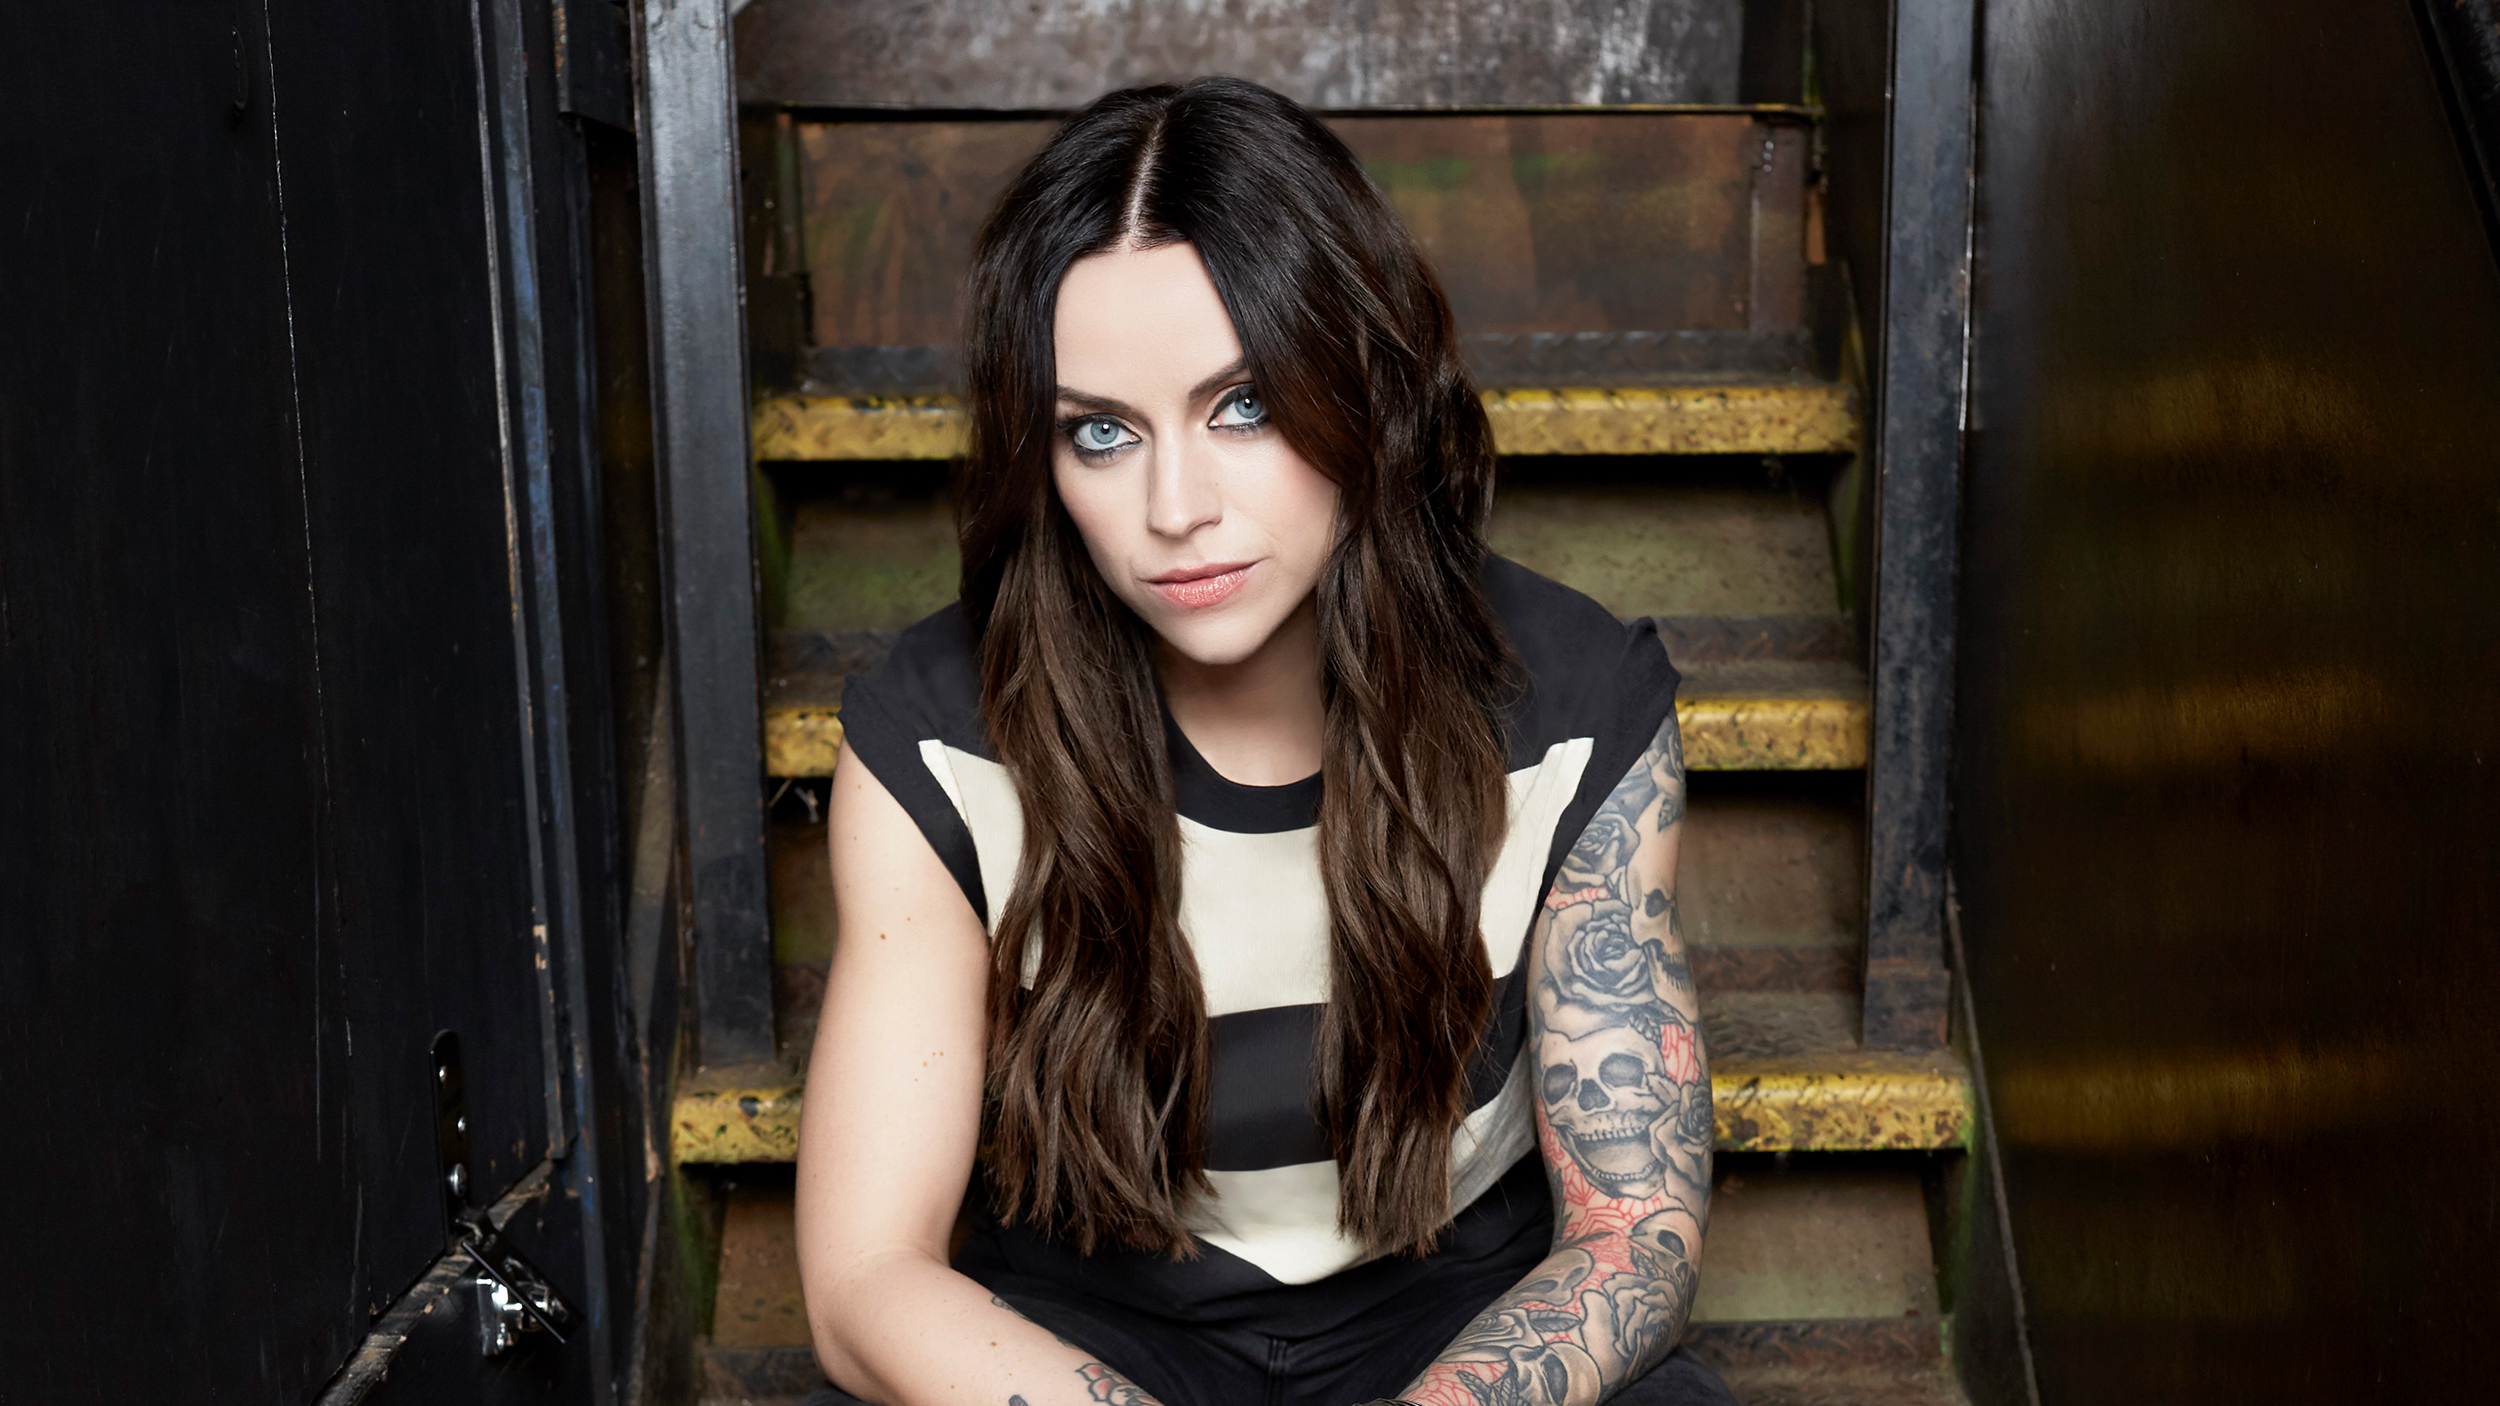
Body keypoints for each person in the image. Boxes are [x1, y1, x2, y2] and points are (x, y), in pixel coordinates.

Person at [794, 77, 1731, 1406]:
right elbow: (866, 1279)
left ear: (1363, 385)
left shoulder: (1578, 703)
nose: (1175, 507)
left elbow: (1634, 1236)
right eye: (1101, 433)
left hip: (1452, 1327)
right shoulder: (937, 737)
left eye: (1244, 407)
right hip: (1075, 1336)